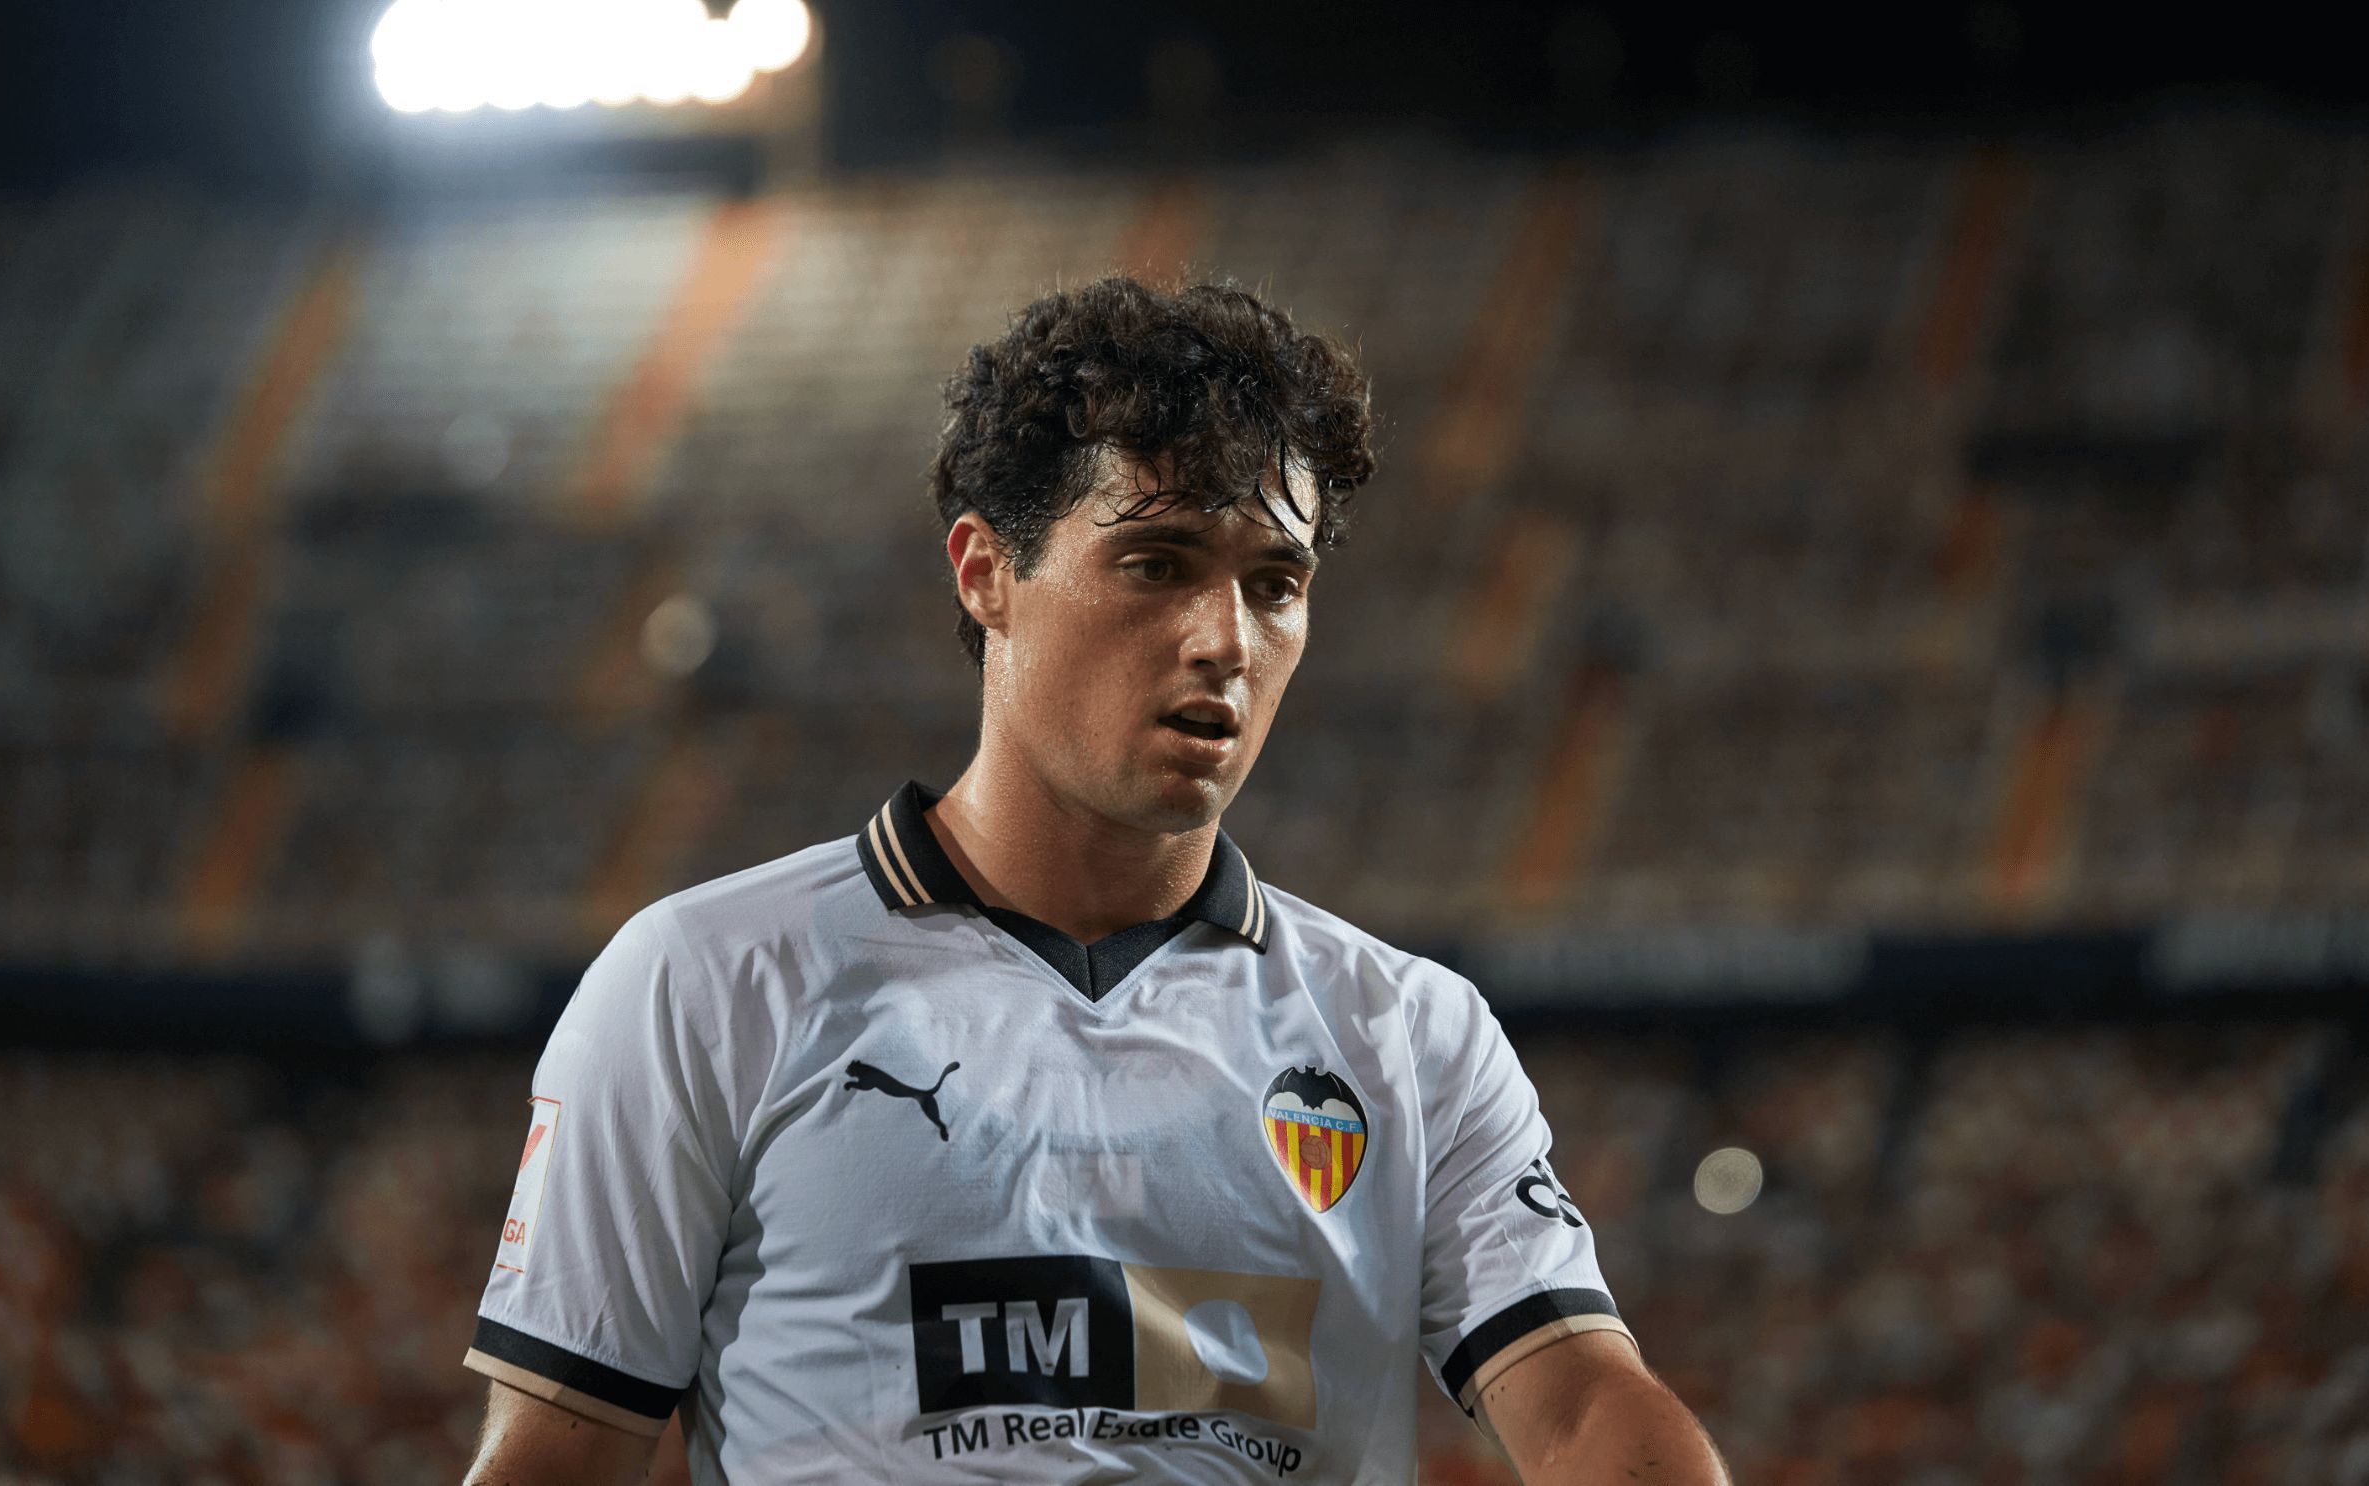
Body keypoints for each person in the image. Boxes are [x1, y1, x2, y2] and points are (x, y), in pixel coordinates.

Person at [460, 277, 1731, 1484]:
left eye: (1274, 584)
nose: (1224, 639)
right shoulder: (703, 978)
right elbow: (557, 1458)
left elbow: (1575, 1405)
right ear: (985, 572)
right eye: (1157, 562)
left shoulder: (1413, 1032)